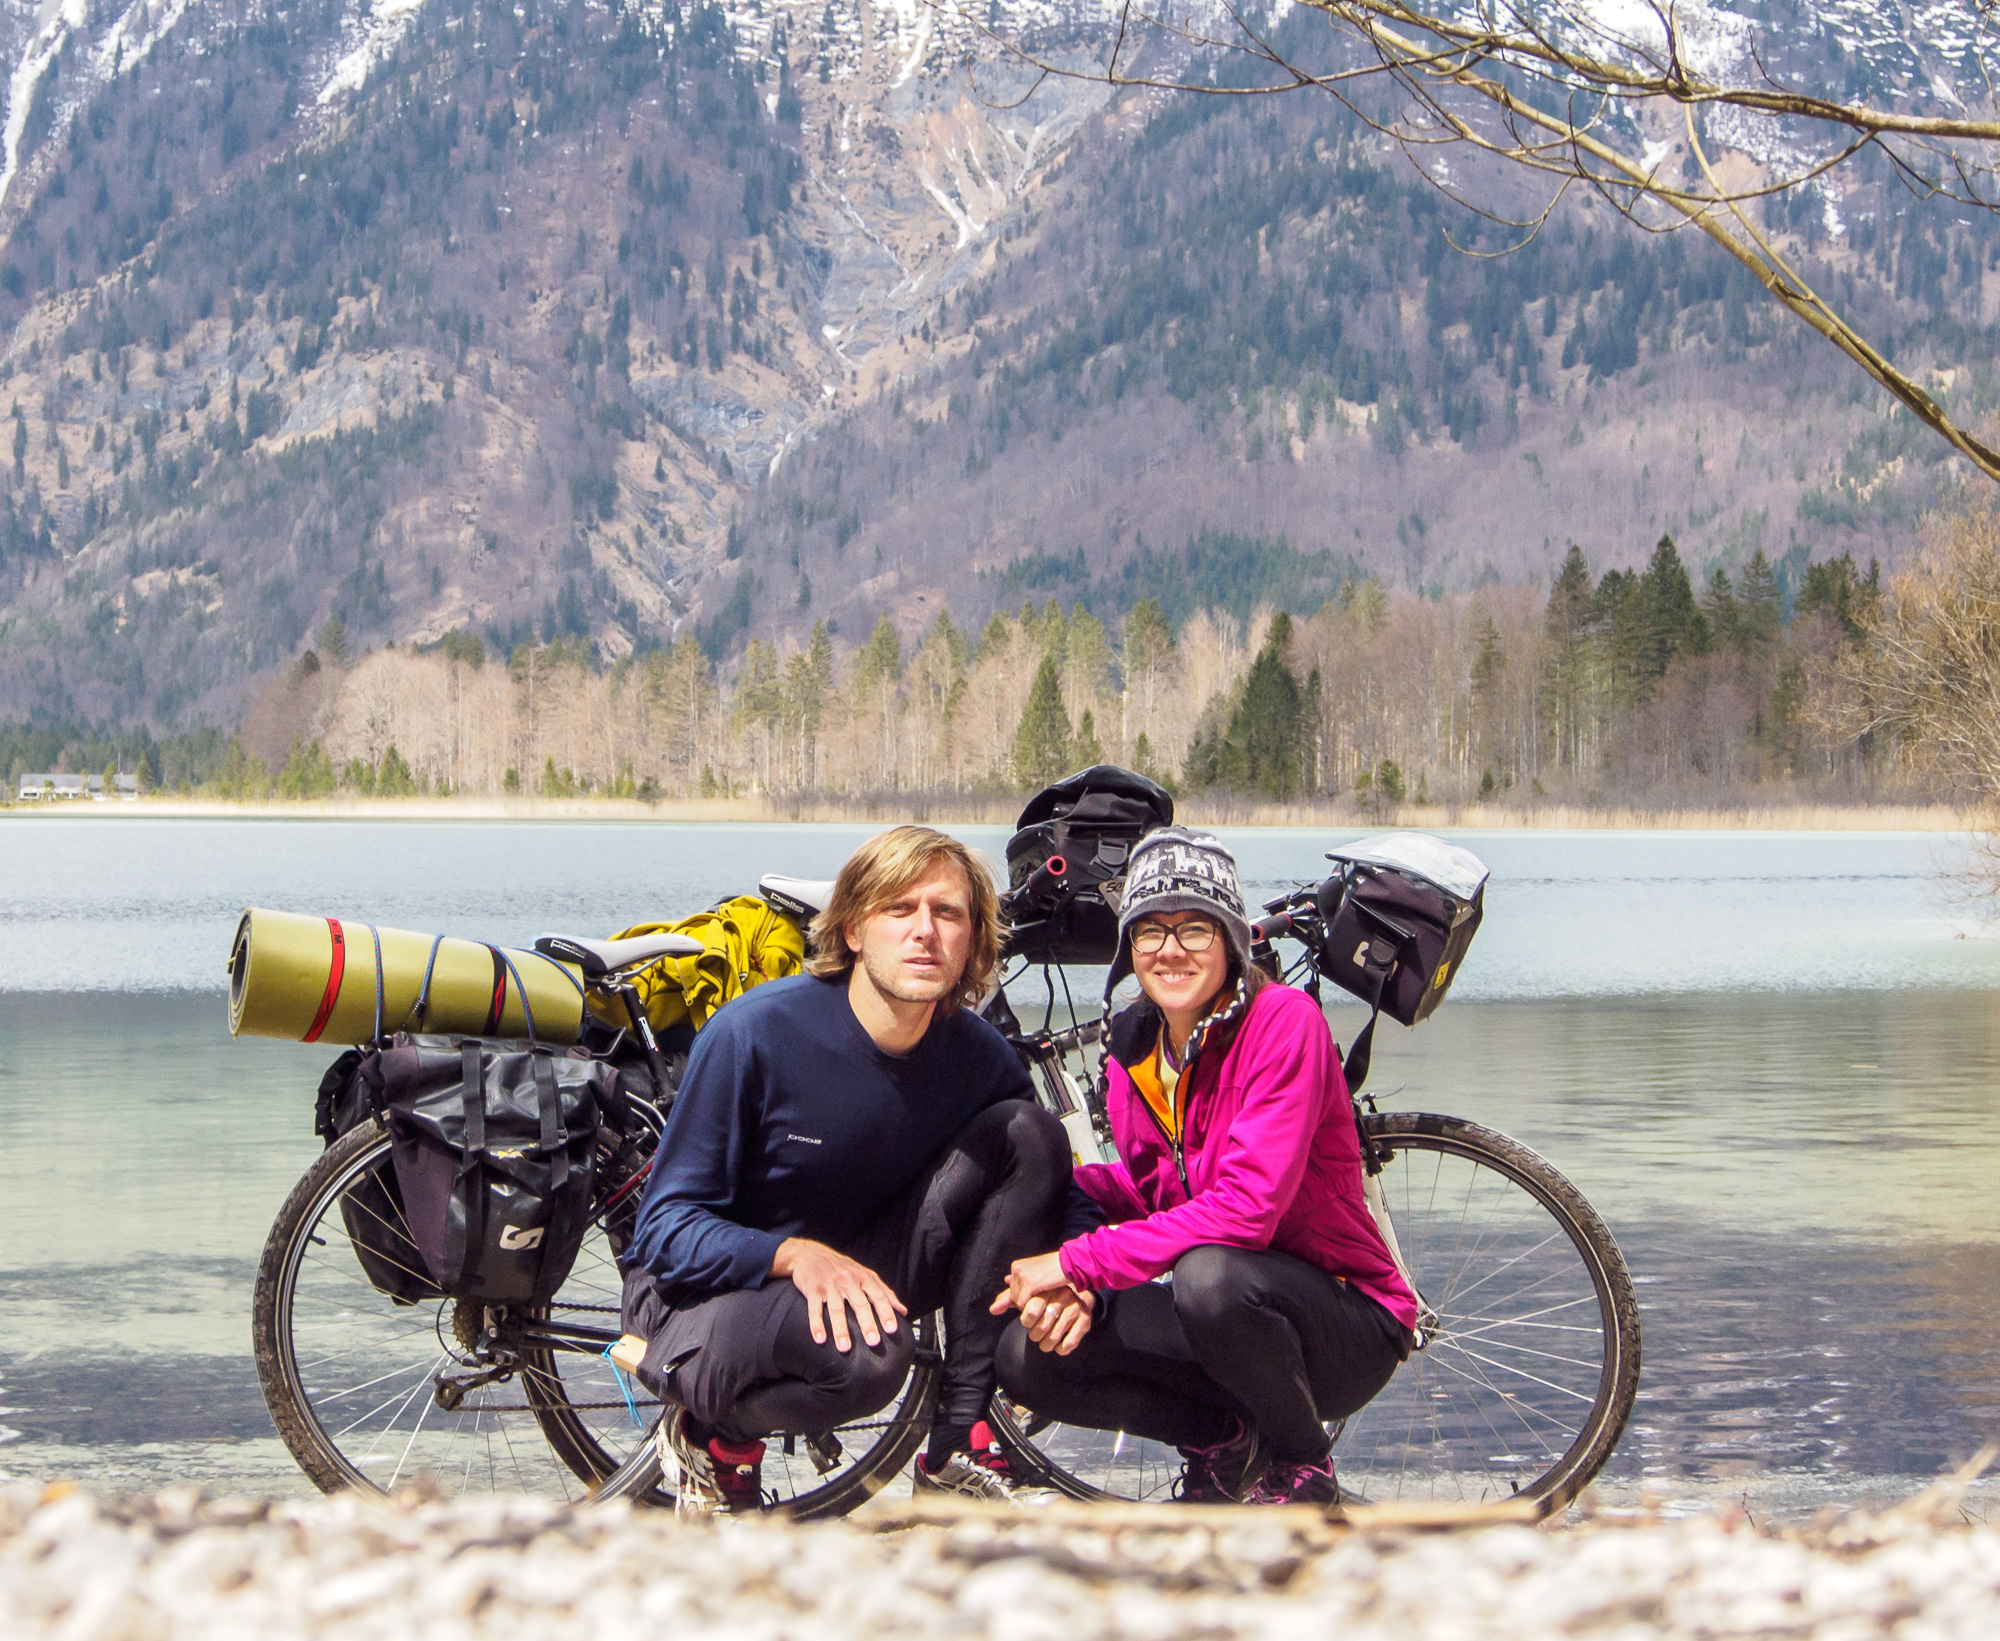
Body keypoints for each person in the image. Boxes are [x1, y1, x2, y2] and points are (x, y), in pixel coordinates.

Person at [620, 824, 1069, 1514]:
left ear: (974, 939)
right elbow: (663, 1231)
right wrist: (792, 1255)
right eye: (900, 908)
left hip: (857, 1267)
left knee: (1030, 1133)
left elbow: (1040, 1189)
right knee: (871, 1361)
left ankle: (958, 1444)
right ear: (854, 929)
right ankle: (712, 1440)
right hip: (708, 1292)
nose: (925, 931)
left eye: (948, 913)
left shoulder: (977, 1055)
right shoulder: (755, 1033)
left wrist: (1080, 1272)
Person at [991, 826, 1419, 1505]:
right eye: (1149, 931)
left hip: (1342, 1319)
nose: (1170, 949)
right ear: (1129, 948)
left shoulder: (1283, 1022)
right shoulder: (1133, 1048)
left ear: (1230, 940)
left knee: (1208, 1276)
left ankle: (1304, 1468)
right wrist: (1038, 1190)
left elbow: (1245, 1212)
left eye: (1194, 928)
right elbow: (1156, 1192)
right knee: (1028, 1356)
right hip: (1227, 1320)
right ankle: (1220, 1444)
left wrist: (1080, 1263)